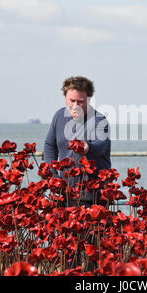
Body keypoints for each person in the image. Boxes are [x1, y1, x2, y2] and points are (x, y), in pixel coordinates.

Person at [43, 76, 111, 206]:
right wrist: (52, 173)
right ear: (65, 98)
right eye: (71, 100)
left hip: (92, 194)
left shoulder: (100, 121)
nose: (75, 106)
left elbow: (101, 146)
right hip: (64, 192)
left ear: (89, 99)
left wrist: (88, 147)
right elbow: (50, 145)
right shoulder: (59, 116)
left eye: (80, 101)